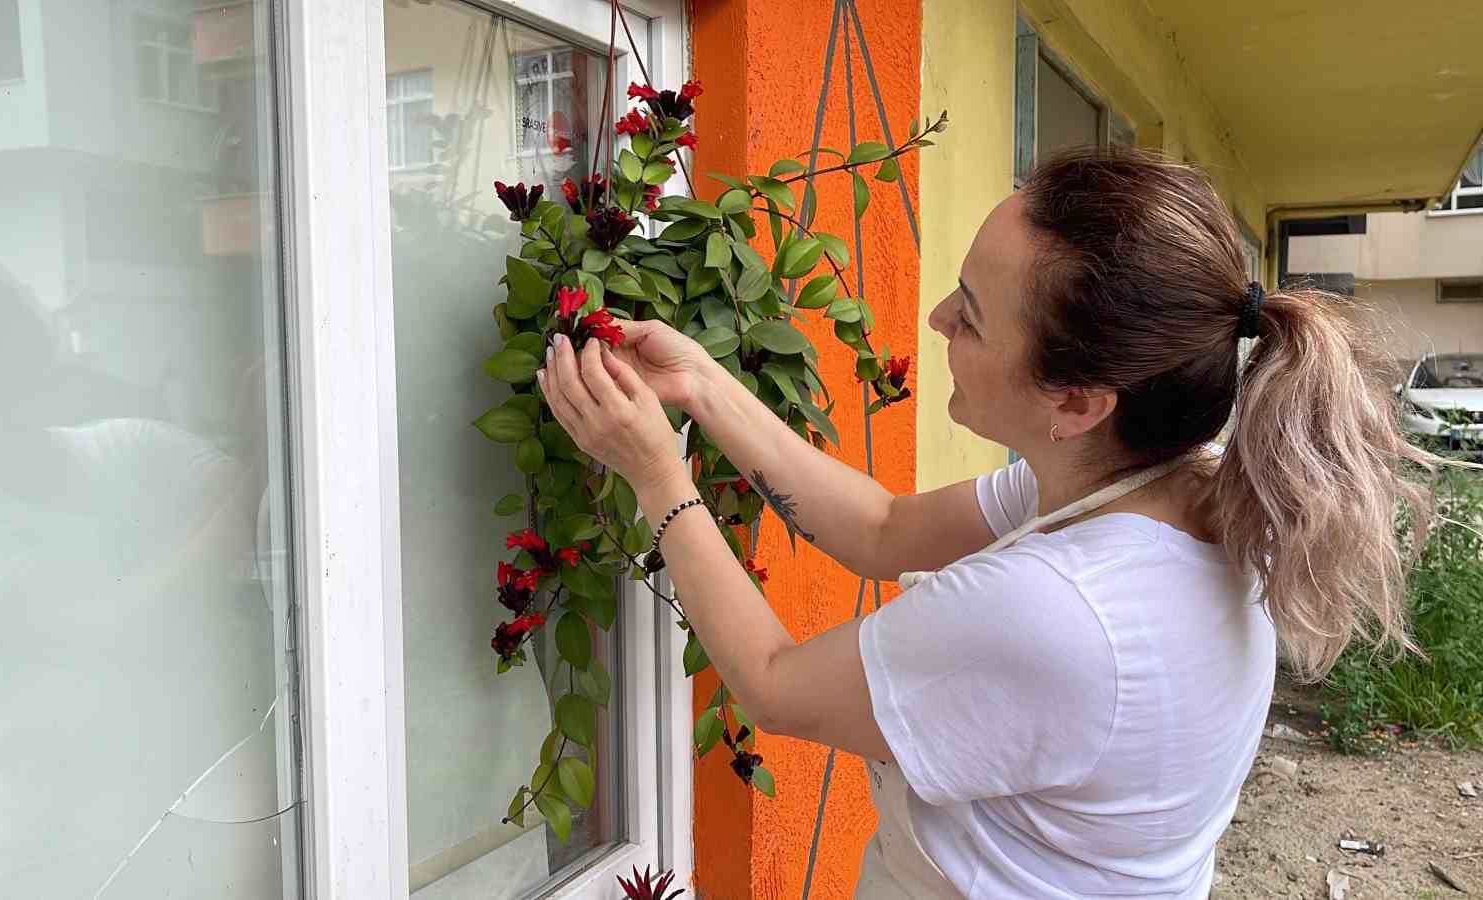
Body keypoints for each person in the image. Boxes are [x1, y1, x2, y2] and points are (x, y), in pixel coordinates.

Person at [537, 149, 1436, 899]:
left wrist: (657, 474)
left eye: (969, 315)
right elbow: (883, 529)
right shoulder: (1167, 485)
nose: (936, 319)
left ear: (1078, 401)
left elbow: (774, 686)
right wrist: (705, 386)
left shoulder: (1062, 611)